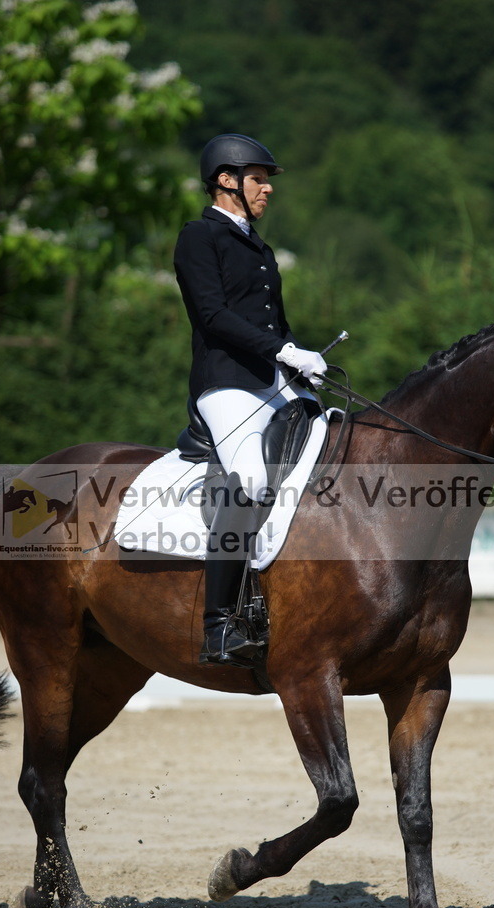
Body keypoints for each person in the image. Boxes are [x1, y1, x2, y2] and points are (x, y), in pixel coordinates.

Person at [174, 133, 327, 666]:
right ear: (226, 180)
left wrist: (299, 369)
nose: (267, 189)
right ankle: (218, 624)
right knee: (252, 480)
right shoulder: (200, 236)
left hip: (271, 380)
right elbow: (214, 317)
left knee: (331, 443)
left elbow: (273, 322)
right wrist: (284, 349)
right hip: (226, 384)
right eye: (259, 178)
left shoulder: (259, 248)